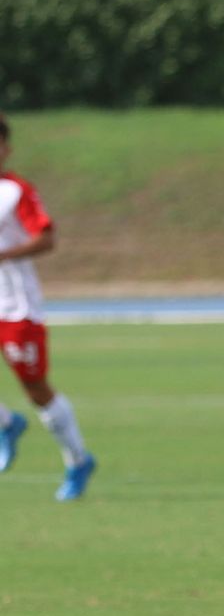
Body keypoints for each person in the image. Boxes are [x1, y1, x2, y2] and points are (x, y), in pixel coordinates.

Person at [0, 113, 96, 501]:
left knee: (36, 388)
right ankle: (6, 424)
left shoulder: (14, 191)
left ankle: (78, 461)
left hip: (17, 307)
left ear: (5, 148)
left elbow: (47, 238)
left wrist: (4, 254)